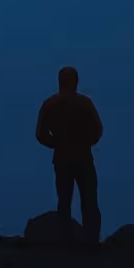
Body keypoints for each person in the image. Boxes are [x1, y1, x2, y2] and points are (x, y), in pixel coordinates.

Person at [35, 66, 104, 246]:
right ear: (76, 81)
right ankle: (91, 241)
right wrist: (85, 142)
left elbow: (41, 134)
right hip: (83, 156)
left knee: (64, 201)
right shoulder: (84, 103)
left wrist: (57, 143)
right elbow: (98, 130)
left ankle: (65, 241)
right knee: (89, 200)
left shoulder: (49, 104)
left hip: (62, 158)